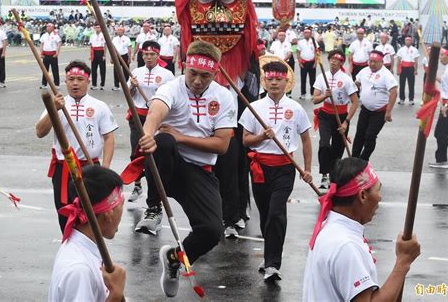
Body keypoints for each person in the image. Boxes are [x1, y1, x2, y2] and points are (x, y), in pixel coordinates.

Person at [137, 41, 236, 297]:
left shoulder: (224, 97)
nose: (198, 81)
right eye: (193, 73)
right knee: (163, 141)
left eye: (205, 75)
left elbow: (222, 145)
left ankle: (175, 259)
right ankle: (153, 205)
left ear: (215, 73)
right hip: (169, 165)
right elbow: (156, 113)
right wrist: (148, 134)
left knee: (212, 230)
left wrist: (182, 137)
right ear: (185, 65)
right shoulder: (171, 88)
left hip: (200, 170)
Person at [303, 157, 421, 301]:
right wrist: (403, 262)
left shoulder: (329, 228)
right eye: (378, 190)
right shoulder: (346, 246)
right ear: (363, 195)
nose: (380, 198)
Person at [239, 60, 313, 282]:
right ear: (264, 81)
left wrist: (307, 169)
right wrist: (262, 136)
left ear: (286, 82)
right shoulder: (254, 107)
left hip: (285, 167)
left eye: (278, 79)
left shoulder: (296, 108)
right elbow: (245, 141)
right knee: (265, 214)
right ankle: (270, 253)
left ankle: (273, 264)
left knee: (276, 212)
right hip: (260, 167)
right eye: (269, 79)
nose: (274, 83)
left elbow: (306, 140)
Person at [35, 60, 118, 231]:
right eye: (71, 79)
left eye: (80, 79)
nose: (75, 83)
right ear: (65, 81)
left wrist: (105, 167)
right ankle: (69, 249)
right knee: (64, 213)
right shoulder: (56, 103)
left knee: (91, 214)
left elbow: (109, 137)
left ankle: (91, 251)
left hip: (90, 167)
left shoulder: (99, 106)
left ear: (88, 81)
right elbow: (40, 132)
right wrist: (54, 109)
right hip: (64, 168)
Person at [48, 165, 126, 302]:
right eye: (121, 204)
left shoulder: (81, 244)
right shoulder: (79, 270)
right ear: (108, 214)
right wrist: (115, 294)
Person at [126, 41, 175, 203]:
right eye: (145, 54)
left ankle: (156, 190)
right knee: (136, 151)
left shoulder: (167, 74)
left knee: (154, 154)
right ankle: (138, 184)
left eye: (152, 54)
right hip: (137, 116)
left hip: (156, 119)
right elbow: (128, 95)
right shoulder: (136, 72)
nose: (148, 57)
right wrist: (132, 87)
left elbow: (172, 99)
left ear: (157, 55)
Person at [313, 50, 358, 189]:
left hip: (341, 116)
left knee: (338, 147)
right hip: (326, 115)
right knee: (324, 144)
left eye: (336, 59)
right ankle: (324, 174)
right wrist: (325, 96)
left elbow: (355, 102)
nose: (333, 61)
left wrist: (346, 122)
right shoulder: (322, 77)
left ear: (341, 62)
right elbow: (315, 99)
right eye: (331, 59)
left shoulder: (346, 79)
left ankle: (334, 173)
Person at [352, 50, 398, 160]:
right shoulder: (364, 71)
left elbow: (394, 91)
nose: (372, 64)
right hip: (365, 109)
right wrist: (356, 85)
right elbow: (357, 81)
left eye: (375, 62)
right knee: (359, 134)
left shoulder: (386, 74)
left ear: (381, 62)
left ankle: (363, 160)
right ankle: (354, 159)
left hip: (379, 111)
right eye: (370, 61)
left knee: (370, 136)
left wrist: (388, 111)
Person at [396, 36, 419, 105]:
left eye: (409, 40)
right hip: (403, 68)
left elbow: (416, 61)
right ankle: (402, 99)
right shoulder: (401, 49)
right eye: (406, 40)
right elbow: (398, 60)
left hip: (411, 68)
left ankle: (411, 99)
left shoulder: (415, 50)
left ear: (411, 41)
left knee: (411, 84)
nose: (408, 41)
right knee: (402, 84)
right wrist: (398, 69)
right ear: (405, 41)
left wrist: (415, 70)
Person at [39, 23, 62, 89]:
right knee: (45, 70)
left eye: (49, 27)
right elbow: (41, 44)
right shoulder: (44, 35)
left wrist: (57, 53)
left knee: (55, 69)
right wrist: (41, 53)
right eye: (47, 27)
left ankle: (56, 84)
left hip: (53, 54)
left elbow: (59, 44)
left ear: (52, 28)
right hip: (45, 54)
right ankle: (44, 84)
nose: (48, 28)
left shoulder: (56, 35)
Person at [297, 28, 317, 99]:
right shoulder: (300, 42)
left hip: (312, 62)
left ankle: (312, 94)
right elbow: (298, 52)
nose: (306, 34)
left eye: (308, 33)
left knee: (312, 79)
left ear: (310, 34)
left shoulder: (314, 41)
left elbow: (316, 52)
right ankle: (303, 94)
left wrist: (315, 62)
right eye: (305, 33)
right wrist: (299, 62)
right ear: (303, 34)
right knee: (303, 79)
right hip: (303, 62)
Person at [111, 26, 131, 91]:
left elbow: (129, 48)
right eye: (118, 30)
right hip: (116, 56)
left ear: (123, 32)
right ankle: (116, 85)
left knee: (126, 70)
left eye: (121, 31)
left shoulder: (127, 39)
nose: (119, 32)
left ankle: (127, 85)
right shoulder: (114, 39)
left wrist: (129, 57)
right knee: (116, 70)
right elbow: (112, 49)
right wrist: (112, 57)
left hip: (124, 55)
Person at [89, 24, 107, 90]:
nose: (97, 29)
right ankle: (94, 84)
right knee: (93, 69)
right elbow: (91, 46)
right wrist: (91, 55)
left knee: (102, 69)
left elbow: (105, 46)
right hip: (94, 51)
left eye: (98, 28)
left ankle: (102, 84)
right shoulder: (92, 36)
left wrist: (104, 55)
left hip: (100, 51)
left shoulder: (103, 35)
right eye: (96, 28)